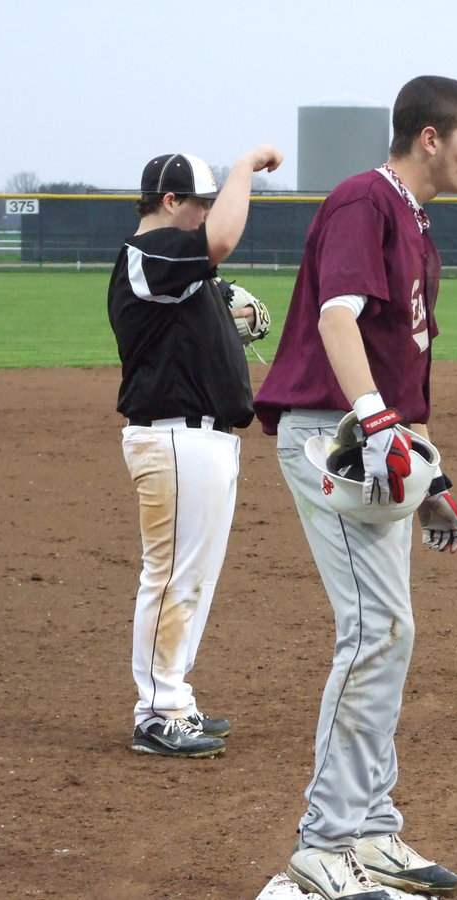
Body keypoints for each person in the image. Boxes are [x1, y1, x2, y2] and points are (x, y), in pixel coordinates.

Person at [253, 75, 457, 899]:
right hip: (332, 438)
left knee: (393, 630)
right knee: (375, 630)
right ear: (429, 137)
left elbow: (393, 370)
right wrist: (380, 428)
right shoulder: (365, 200)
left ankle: (373, 828)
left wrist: (422, 465)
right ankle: (324, 844)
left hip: (369, 440)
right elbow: (335, 320)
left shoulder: (413, 220)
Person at [107, 145, 282, 759]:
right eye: (199, 204)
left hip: (202, 438)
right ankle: (157, 711)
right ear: (170, 201)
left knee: (194, 580)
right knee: (174, 578)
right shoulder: (147, 252)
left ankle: (174, 696)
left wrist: (225, 302)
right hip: (174, 436)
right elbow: (222, 241)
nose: (206, 215)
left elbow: (215, 279)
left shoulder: (172, 266)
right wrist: (244, 168)